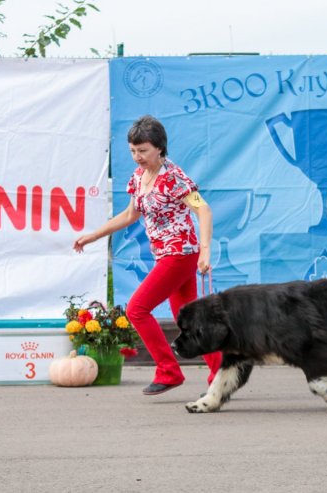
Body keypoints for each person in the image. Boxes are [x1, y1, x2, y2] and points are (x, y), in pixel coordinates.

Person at [73, 115, 222, 395]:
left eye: (143, 151)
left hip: (180, 253)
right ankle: (222, 373)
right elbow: (131, 214)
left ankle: (168, 370)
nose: (137, 157)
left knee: (136, 309)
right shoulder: (139, 177)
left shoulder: (174, 178)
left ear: (160, 148)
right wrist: (94, 235)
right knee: (189, 318)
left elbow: (204, 210)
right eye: (133, 151)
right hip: (165, 254)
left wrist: (205, 251)